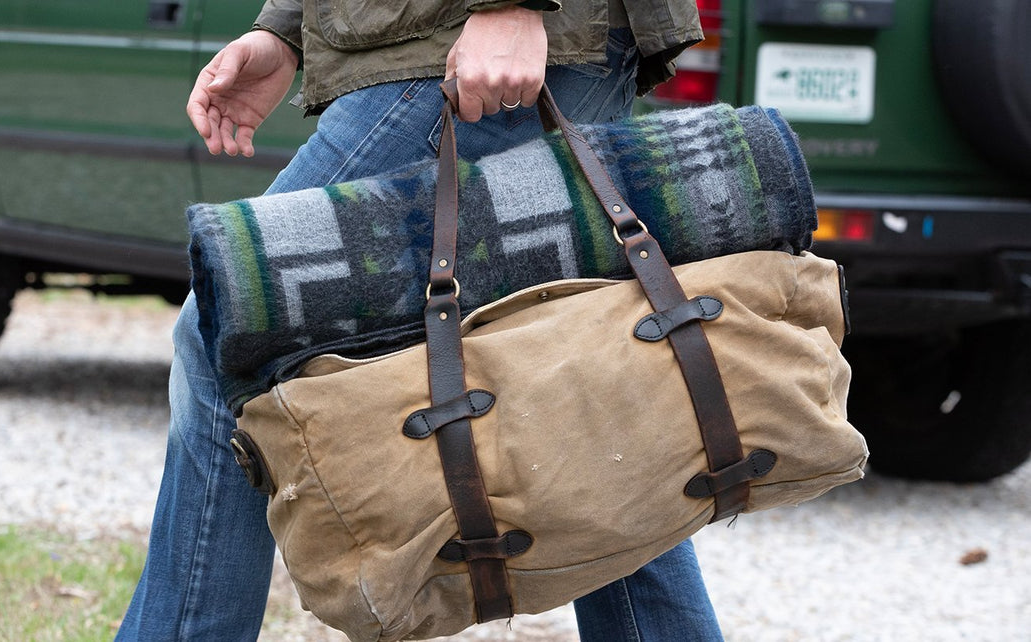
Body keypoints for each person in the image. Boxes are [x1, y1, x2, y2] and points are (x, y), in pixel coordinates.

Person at [117, 1, 720, 640]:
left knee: (231, 327)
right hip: (489, 35)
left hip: (468, 42)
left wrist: (511, 7)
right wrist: (286, 31)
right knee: (574, 368)